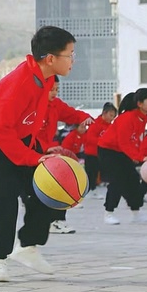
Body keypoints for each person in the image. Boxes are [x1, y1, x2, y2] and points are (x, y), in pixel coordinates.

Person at [0, 26, 79, 283]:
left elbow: (33, 122)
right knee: (4, 199)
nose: (73, 60)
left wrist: (41, 149)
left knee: (48, 191)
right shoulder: (20, 83)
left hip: (19, 141)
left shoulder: (46, 80)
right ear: (50, 58)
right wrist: (31, 158)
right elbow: (1, 129)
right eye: (70, 55)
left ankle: (28, 246)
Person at [39, 78, 92, 234]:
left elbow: (72, 114)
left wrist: (84, 117)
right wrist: (45, 147)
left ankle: (56, 221)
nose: (55, 92)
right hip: (30, 151)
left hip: (49, 152)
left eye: (57, 89)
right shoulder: (32, 105)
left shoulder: (56, 105)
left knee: (60, 182)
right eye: (51, 89)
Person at [97, 89, 147, 225]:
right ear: (140, 103)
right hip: (108, 150)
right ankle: (108, 213)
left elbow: (135, 139)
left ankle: (136, 213)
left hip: (121, 151)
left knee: (133, 179)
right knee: (117, 180)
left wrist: (141, 155)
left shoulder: (144, 117)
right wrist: (139, 157)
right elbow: (123, 142)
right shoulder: (127, 118)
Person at [81, 103, 117, 197]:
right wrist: (103, 141)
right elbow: (90, 138)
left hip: (102, 154)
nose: (112, 118)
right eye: (110, 115)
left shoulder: (110, 126)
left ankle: (93, 189)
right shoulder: (95, 124)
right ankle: (89, 190)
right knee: (91, 173)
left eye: (113, 116)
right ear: (104, 113)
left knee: (98, 172)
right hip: (91, 153)